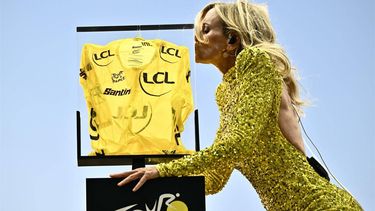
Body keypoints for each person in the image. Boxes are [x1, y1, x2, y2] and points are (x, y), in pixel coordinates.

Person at [110, 0, 363, 210]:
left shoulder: (256, 61)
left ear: (232, 39)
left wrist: (163, 170)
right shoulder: (226, 91)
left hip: (322, 205)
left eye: (205, 29)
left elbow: (235, 146)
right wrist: (152, 160)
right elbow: (215, 179)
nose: (195, 38)